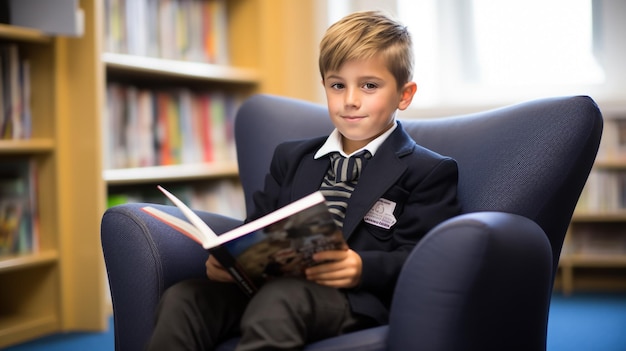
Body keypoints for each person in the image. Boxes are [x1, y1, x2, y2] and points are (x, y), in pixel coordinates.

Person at [146, 10, 460, 351]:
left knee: (282, 299)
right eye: (337, 85)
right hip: (271, 287)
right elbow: (257, 227)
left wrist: (360, 267)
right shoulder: (291, 158)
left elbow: (425, 257)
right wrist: (231, 261)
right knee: (185, 298)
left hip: (353, 300)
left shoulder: (427, 171)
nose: (351, 100)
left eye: (369, 85)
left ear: (404, 94)